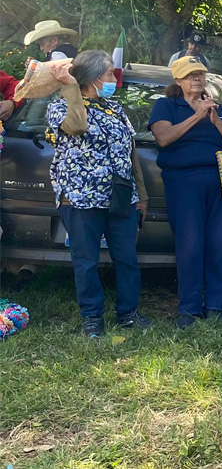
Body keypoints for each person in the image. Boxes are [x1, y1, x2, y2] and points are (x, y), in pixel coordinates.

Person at [45, 51, 150, 338]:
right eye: (108, 74)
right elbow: (77, 125)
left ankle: (128, 313)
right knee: (86, 261)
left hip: (120, 197)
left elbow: (131, 153)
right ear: (92, 79)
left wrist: (142, 195)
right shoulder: (60, 108)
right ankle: (92, 317)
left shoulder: (116, 109)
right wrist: (69, 86)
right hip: (80, 199)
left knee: (127, 258)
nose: (112, 79)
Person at [149, 56, 222, 328]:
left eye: (200, 75)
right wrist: (196, 116)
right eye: (190, 75)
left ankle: (216, 305)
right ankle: (189, 309)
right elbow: (163, 138)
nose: (197, 79)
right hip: (183, 182)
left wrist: (216, 121)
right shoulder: (166, 105)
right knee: (190, 245)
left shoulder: (220, 108)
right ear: (178, 82)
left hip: (221, 181)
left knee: (221, 243)